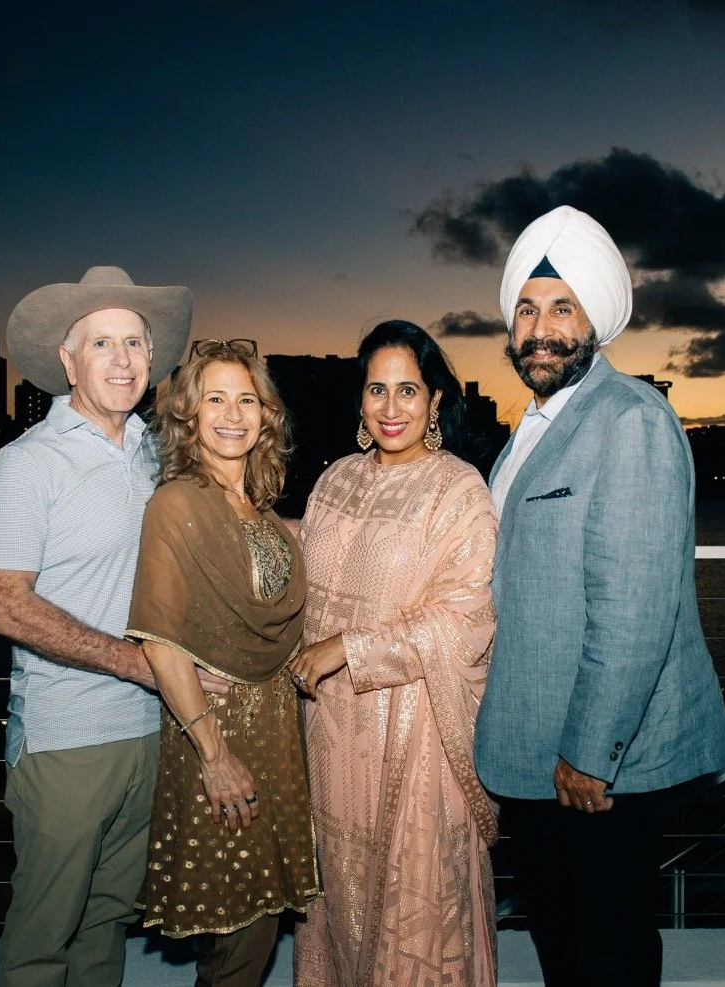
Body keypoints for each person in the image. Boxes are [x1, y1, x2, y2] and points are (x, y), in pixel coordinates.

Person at [473, 206, 725, 987]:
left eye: (561, 307)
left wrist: (590, 754)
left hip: (596, 762)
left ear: (597, 320)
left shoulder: (630, 420)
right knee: (561, 935)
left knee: (606, 946)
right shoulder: (535, 425)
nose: (540, 327)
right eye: (526, 308)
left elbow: (633, 607)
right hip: (537, 745)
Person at [0, 265, 216, 987]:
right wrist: (133, 662)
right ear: (67, 359)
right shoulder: (27, 465)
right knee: (44, 934)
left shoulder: (152, 454)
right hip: (67, 737)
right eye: (102, 342)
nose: (122, 359)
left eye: (135, 342)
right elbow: (4, 604)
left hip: (152, 729)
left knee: (104, 920)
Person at [290, 320, 500, 987]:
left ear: (436, 400)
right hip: (327, 739)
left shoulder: (459, 490)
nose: (389, 407)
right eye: (376, 389)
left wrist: (347, 647)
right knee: (337, 898)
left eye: (407, 389)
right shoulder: (334, 481)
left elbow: (466, 616)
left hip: (413, 738)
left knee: (411, 909)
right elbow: (304, 571)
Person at [125, 338, 320, 987]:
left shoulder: (262, 511)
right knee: (234, 933)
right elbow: (160, 641)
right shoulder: (176, 505)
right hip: (217, 735)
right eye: (215, 398)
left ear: (266, 414)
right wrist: (213, 752)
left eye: (246, 398)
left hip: (273, 733)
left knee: (256, 925)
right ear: (189, 414)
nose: (232, 413)